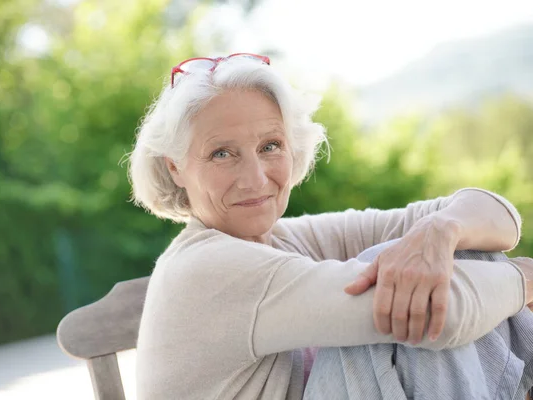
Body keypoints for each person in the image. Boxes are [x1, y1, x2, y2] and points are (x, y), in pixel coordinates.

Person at [128, 53, 533, 399]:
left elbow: (494, 216)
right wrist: (523, 277)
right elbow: (432, 315)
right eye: (221, 153)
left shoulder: (282, 240)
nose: (254, 178)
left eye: (270, 146)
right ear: (176, 167)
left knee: (442, 248)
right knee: (400, 279)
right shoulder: (206, 269)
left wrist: (441, 230)